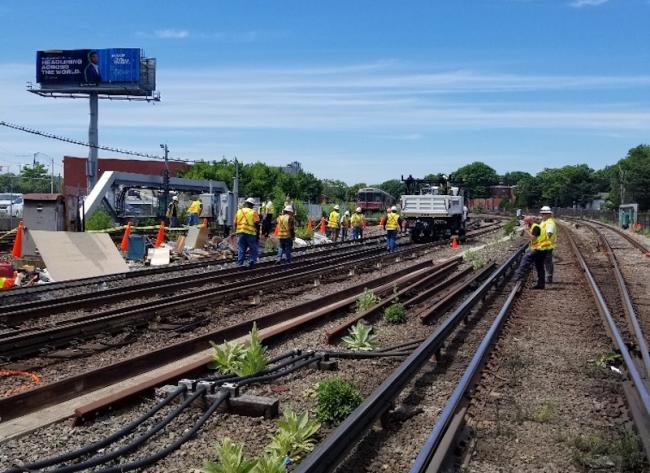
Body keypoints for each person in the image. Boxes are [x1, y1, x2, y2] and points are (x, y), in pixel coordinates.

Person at [514, 215, 549, 289]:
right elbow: (523, 236)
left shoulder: (536, 227)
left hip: (539, 248)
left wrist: (526, 230)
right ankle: (541, 284)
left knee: (526, 258)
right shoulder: (532, 226)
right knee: (539, 266)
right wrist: (524, 230)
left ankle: (518, 277)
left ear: (529, 222)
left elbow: (533, 238)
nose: (524, 223)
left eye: (525, 222)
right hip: (542, 248)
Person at [235, 197, 260, 268]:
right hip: (250, 233)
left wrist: (236, 231)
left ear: (246, 203)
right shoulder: (253, 212)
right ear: (252, 205)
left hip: (240, 233)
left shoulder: (239, 211)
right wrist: (257, 234)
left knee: (241, 248)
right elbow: (257, 223)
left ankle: (240, 263)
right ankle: (251, 260)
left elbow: (235, 223)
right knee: (253, 248)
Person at [539, 206, 557, 283]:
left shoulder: (550, 223)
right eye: (542, 214)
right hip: (542, 245)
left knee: (547, 261)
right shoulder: (544, 221)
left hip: (547, 245)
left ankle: (548, 277)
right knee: (544, 261)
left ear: (548, 214)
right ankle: (545, 277)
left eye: (544, 214)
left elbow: (549, 234)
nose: (542, 215)